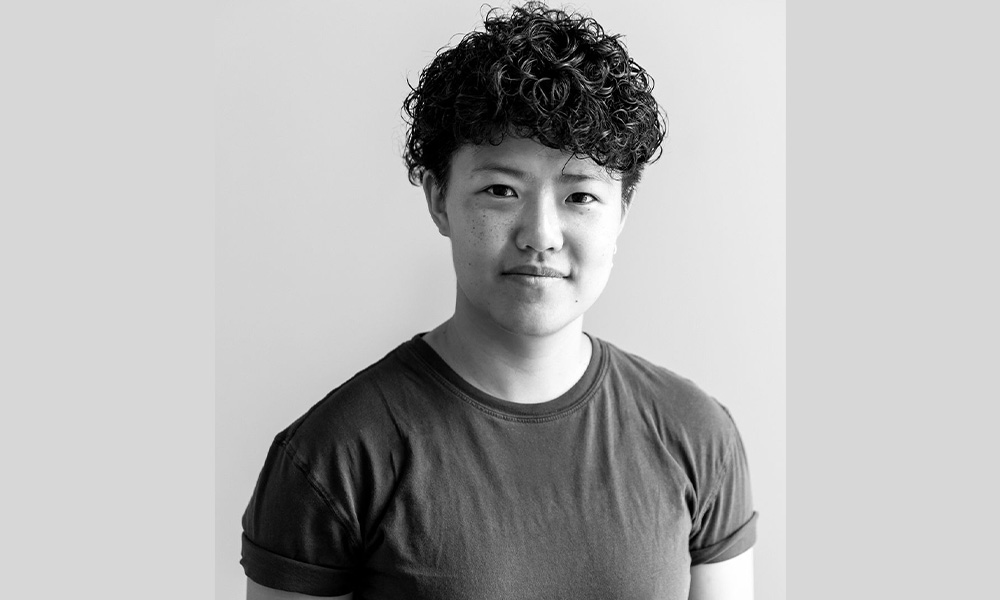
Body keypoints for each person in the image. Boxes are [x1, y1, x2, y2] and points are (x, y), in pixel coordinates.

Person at [240, 3, 757, 599]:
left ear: (623, 212)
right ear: (439, 200)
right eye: (500, 189)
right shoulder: (334, 455)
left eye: (581, 195)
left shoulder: (697, 435)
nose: (541, 233)